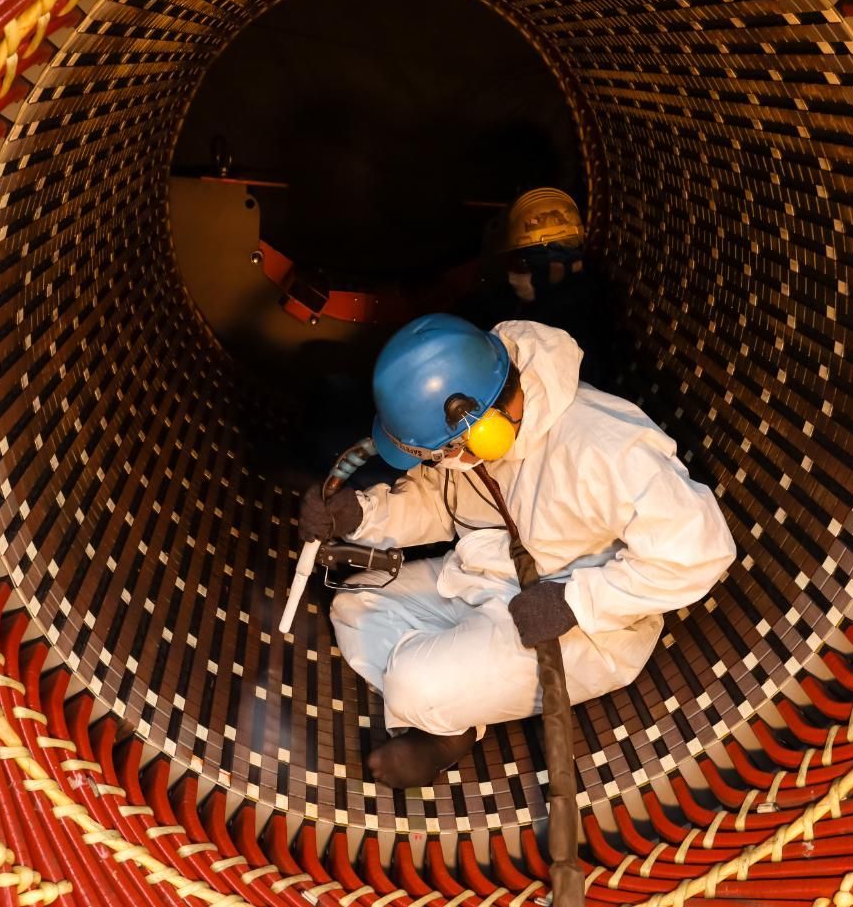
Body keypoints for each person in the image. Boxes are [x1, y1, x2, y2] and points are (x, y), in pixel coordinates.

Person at [298, 314, 736, 788]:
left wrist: (577, 603)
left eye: (437, 454)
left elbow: (701, 550)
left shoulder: (606, 445)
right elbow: (440, 501)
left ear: (485, 428)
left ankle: (441, 718)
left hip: (580, 624)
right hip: (487, 577)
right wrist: (362, 515)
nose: (436, 464)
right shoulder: (478, 433)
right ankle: (456, 708)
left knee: (413, 684)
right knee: (355, 603)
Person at [476, 187, 610, 389]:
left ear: (558, 263)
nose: (514, 277)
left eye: (523, 265)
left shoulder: (568, 326)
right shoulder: (534, 305)